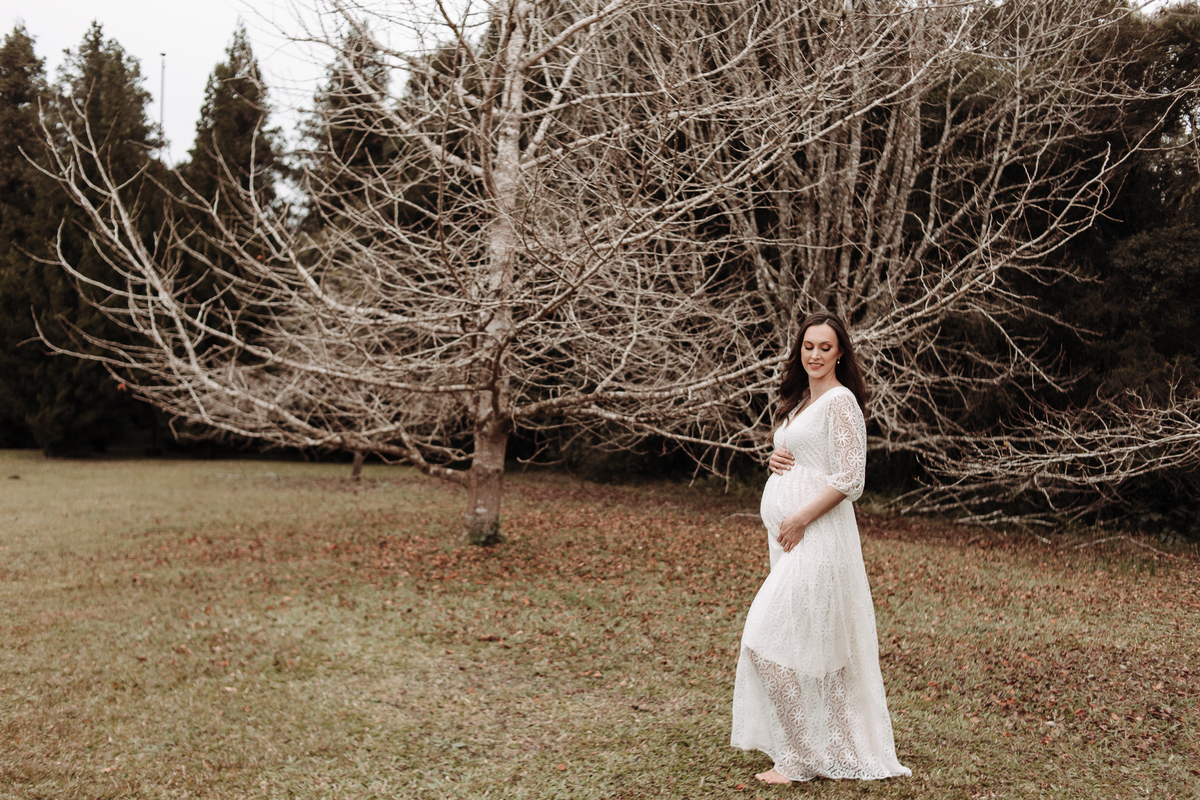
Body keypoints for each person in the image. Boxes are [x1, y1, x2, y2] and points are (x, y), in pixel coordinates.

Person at [730, 311, 911, 785]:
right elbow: (808, 459)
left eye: (825, 347)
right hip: (791, 542)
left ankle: (799, 758)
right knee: (806, 644)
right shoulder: (801, 403)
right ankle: (816, 749)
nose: (815, 354)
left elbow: (851, 479)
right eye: (808, 346)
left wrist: (800, 518)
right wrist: (776, 458)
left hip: (819, 537)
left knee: (765, 640)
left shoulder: (841, 401)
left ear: (840, 353)